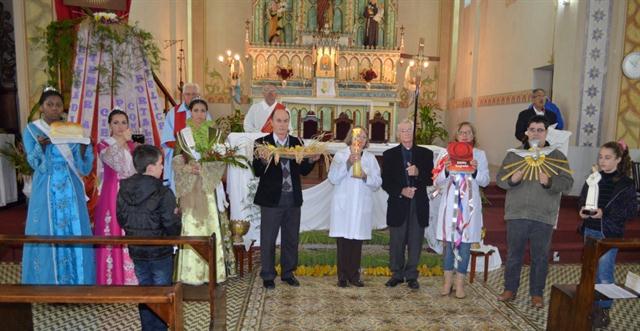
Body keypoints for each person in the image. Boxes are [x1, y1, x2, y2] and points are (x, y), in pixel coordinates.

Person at [496, 115, 573, 308]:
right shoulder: (514, 154)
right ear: (526, 132)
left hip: (543, 215)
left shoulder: (556, 156)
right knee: (514, 255)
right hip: (517, 213)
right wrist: (512, 179)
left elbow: (568, 183)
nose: (536, 133)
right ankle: (509, 289)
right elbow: (499, 180)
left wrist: (550, 182)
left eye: (540, 130)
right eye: (532, 129)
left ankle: (536, 293)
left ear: (547, 133)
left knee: (540, 257)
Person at [21, 87, 95, 285]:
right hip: (46, 187)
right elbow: (35, 163)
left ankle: (79, 282)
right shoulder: (31, 129)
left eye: (58, 105)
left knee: (75, 230)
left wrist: (85, 149)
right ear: (42, 108)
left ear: (63, 108)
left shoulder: (71, 129)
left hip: (71, 188)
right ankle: (47, 284)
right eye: (49, 104)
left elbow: (84, 167)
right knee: (47, 232)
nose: (54, 109)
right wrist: (41, 147)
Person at [253, 107, 319, 289]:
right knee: (268, 238)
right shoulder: (261, 142)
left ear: (289, 123)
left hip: (292, 198)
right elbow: (256, 170)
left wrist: (312, 160)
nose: (282, 125)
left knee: (290, 238)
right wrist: (265, 160)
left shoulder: (296, 142)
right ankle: (268, 275)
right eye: (279, 121)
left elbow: (303, 170)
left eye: (285, 121)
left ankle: (288, 273)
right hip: (271, 199)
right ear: (272, 123)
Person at [117, 144, 181, 331]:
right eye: (161, 164)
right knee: (161, 293)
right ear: (151, 168)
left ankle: (148, 328)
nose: (163, 168)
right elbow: (170, 224)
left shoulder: (124, 189)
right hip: (160, 251)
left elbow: (121, 218)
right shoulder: (163, 192)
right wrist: (177, 218)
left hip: (136, 249)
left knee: (145, 290)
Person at [173, 98, 236, 284]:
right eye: (196, 110)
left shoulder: (215, 134)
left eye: (202, 110)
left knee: (212, 225)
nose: (199, 114)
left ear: (207, 113)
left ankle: (214, 272)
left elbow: (222, 160)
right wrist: (187, 169)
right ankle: (189, 273)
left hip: (209, 187)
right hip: (191, 187)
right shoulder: (182, 135)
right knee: (191, 224)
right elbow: (177, 160)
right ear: (190, 113)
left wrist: (206, 169)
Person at [578, 141, 637, 328]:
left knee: (603, 273)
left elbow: (630, 211)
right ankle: (589, 305)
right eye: (601, 157)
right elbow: (583, 197)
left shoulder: (626, 183)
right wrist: (582, 209)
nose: (602, 161)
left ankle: (603, 310)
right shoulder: (594, 177)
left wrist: (605, 213)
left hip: (609, 232)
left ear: (618, 159)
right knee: (589, 270)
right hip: (590, 228)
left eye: (607, 157)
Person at [434, 122, 490, 298]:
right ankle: (447, 283)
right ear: (456, 135)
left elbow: (485, 180)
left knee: (464, 245)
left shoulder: (479, 155)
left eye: (469, 132)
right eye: (462, 132)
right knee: (449, 245)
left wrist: (475, 171)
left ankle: (460, 285)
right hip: (450, 204)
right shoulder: (446, 154)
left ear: (473, 136)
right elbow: (437, 181)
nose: (465, 135)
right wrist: (446, 170)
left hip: (469, 207)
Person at [382, 119, 433, 290]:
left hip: (418, 204)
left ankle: (411, 275)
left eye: (409, 130)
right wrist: (402, 190)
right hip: (398, 202)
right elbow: (386, 181)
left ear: (414, 132)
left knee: (415, 240)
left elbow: (430, 179)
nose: (406, 133)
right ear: (398, 134)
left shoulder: (426, 154)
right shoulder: (389, 155)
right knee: (396, 240)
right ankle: (396, 274)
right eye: (403, 131)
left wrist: (418, 173)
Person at [328, 126, 382, 288]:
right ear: (350, 138)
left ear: (366, 141)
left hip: (360, 205)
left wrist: (366, 176)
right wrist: (347, 164)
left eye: (364, 137)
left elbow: (378, 182)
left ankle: (354, 275)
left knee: (356, 242)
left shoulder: (371, 159)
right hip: (344, 205)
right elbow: (333, 178)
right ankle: (342, 276)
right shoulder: (340, 155)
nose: (360, 140)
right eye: (357, 136)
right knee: (343, 241)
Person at [93, 109, 138, 285]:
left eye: (124, 122)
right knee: (114, 229)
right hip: (113, 193)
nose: (120, 126)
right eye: (116, 123)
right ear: (109, 126)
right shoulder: (104, 145)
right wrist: (122, 140)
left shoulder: (133, 146)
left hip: (132, 194)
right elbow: (118, 164)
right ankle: (114, 278)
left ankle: (132, 275)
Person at [161, 83, 208, 192]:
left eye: (194, 94)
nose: (191, 97)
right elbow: (167, 140)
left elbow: (210, 136)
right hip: (180, 159)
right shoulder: (173, 113)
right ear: (183, 96)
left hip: (201, 160)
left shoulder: (205, 113)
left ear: (199, 95)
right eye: (188, 94)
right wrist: (184, 152)